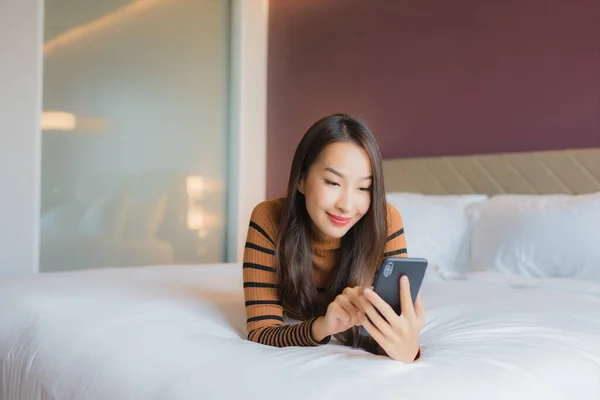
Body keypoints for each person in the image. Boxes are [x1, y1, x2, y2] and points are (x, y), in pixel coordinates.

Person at [242, 113, 424, 362]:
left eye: (363, 188)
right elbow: (262, 332)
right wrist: (323, 326)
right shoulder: (269, 219)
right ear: (302, 179)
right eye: (332, 182)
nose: (347, 206)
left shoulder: (386, 220)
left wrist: (407, 347)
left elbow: (396, 333)